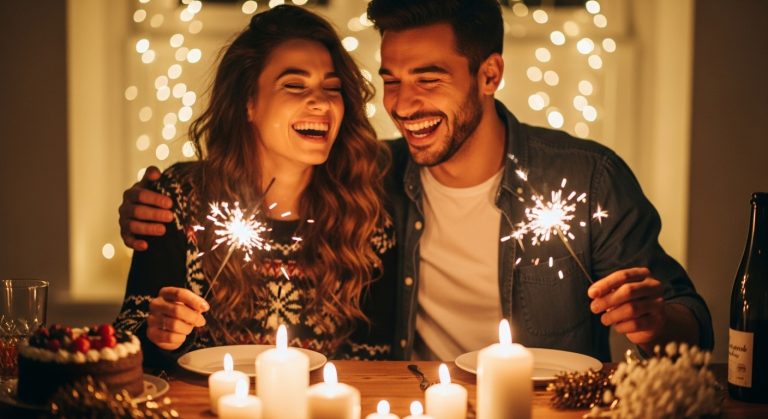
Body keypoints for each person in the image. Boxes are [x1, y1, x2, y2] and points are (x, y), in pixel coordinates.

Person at [120, 0, 714, 362]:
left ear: (489, 75)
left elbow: (694, 326)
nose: (403, 105)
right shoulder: (371, 177)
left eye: (428, 78)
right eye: (392, 80)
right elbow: (271, 181)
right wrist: (149, 202)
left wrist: (655, 323)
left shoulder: (585, 179)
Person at [114, 5, 397, 368]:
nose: (321, 102)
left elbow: (372, 364)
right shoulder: (179, 198)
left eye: (332, 88)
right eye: (294, 85)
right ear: (249, 103)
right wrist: (158, 333)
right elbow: (126, 337)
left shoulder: (365, 212)